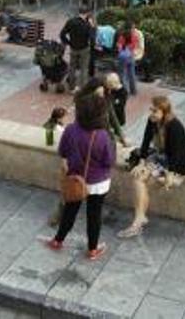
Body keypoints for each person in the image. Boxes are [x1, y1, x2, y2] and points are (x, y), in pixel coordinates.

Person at [45, 89, 116, 260]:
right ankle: (92, 249)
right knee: (94, 215)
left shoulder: (70, 130)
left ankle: (58, 240)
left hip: (76, 179)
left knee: (70, 210)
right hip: (98, 183)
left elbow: (62, 151)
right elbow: (109, 161)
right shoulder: (103, 136)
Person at [118, 96, 185, 239]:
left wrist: (170, 174)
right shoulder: (152, 121)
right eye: (151, 109)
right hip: (160, 158)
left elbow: (177, 152)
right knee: (138, 177)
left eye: (155, 110)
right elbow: (145, 143)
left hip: (176, 163)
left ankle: (138, 222)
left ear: (164, 112)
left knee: (141, 181)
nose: (151, 113)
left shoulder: (175, 126)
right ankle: (140, 218)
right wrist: (141, 162)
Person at [61, 6, 95, 90]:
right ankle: (83, 88)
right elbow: (92, 37)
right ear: (87, 14)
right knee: (84, 68)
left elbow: (62, 34)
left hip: (73, 48)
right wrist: (92, 27)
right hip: (84, 48)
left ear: (79, 12)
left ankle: (71, 87)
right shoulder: (87, 25)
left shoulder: (71, 21)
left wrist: (68, 42)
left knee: (72, 67)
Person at [115, 22, 141, 95]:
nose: (134, 29)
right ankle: (133, 91)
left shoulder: (122, 36)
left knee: (123, 74)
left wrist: (121, 50)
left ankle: (125, 92)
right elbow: (136, 46)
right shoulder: (135, 36)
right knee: (132, 74)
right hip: (131, 56)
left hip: (123, 57)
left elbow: (119, 46)